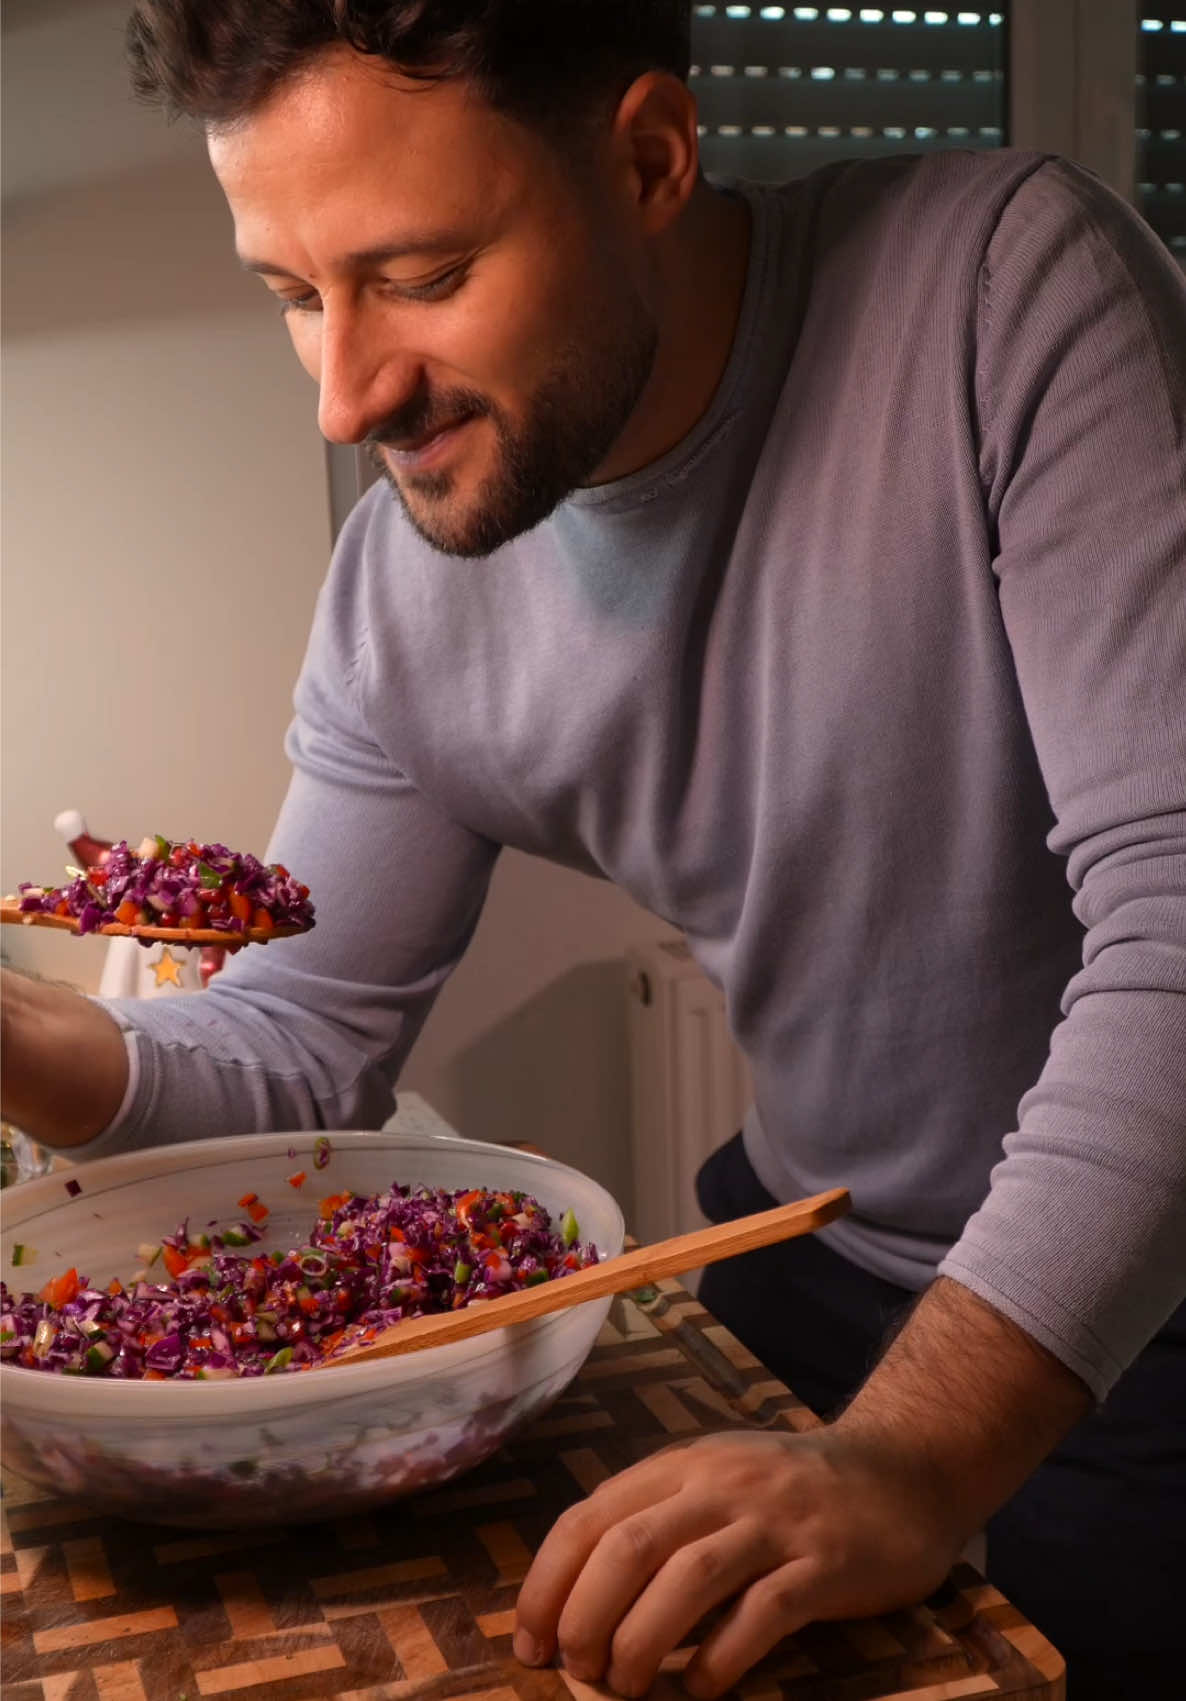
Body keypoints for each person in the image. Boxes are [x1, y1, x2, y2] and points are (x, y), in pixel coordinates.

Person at [3, 2, 1184, 1694]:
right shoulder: (402, 591)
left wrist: (914, 1455)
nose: (347, 396)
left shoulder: (1004, 290)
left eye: (416, 275)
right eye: (291, 295)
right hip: (800, 1250)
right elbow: (294, 1042)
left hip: (1133, 1310)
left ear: (647, 158)